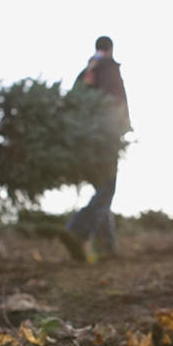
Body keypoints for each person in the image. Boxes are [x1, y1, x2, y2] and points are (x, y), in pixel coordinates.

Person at [60, 35, 131, 262]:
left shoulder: (85, 73)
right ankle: (77, 229)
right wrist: (124, 128)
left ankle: (106, 246)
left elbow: (72, 101)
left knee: (102, 192)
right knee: (107, 190)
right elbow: (119, 101)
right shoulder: (110, 70)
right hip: (105, 140)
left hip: (83, 141)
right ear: (110, 48)